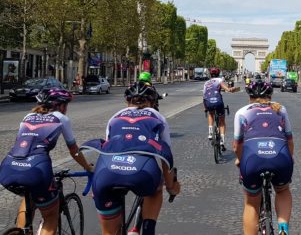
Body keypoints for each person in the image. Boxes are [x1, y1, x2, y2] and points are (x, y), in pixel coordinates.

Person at [85, 81, 180, 235]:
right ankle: (148, 230)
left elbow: (108, 150)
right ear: (153, 102)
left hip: (105, 173)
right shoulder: (156, 116)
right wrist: (171, 187)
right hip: (142, 173)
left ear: (127, 101)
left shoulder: (114, 117)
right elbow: (165, 158)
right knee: (156, 189)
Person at [0, 88, 94, 235]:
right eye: (66, 105)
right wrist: (88, 167)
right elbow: (74, 150)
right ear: (61, 105)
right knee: (51, 217)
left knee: (28, 196)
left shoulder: (28, 116)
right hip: (36, 170)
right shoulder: (60, 118)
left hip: (8, 167)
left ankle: (22, 231)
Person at [234, 81, 293, 235]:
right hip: (280, 157)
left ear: (250, 96)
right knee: (282, 190)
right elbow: (289, 141)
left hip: (252, 159)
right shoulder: (281, 109)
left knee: (252, 204)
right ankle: (283, 229)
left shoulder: (242, 112)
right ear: (270, 95)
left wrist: (240, 160)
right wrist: (290, 159)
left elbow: (237, 146)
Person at [203, 67, 238, 151]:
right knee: (222, 121)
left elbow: (204, 96)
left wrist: (205, 108)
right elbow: (226, 89)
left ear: (210, 74)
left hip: (208, 102)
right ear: (218, 74)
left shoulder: (206, 83)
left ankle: (210, 132)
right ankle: (222, 141)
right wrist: (231, 89)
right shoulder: (219, 80)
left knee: (210, 113)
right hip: (218, 102)